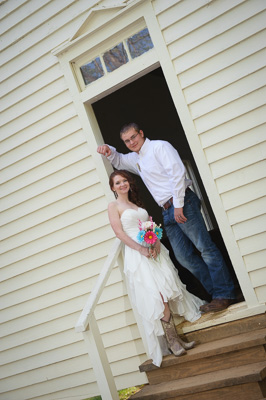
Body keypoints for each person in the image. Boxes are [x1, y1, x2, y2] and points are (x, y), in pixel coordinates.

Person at [97, 122, 236, 313]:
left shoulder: (160, 147)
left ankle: (224, 294)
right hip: (166, 210)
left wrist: (178, 205)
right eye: (127, 141)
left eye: (133, 137)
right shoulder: (136, 158)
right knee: (184, 257)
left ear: (141, 133)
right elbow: (119, 161)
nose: (131, 142)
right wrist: (108, 150)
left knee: (205, 248)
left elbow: (177, 173)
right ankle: (216, 294)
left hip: (182, 203)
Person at [108, 169, 205, 367]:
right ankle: (171, 342)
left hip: (154, 252)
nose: (122, 184)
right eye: (118, 182)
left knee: (166, 292)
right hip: (138, 254)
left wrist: (156, 242)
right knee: (157, 295)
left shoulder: (136, 204)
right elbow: (119, 233)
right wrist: (140, 249)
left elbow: (149, 226)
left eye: (124, 181)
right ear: (113, 187)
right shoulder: (114, 206)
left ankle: (176, 340)